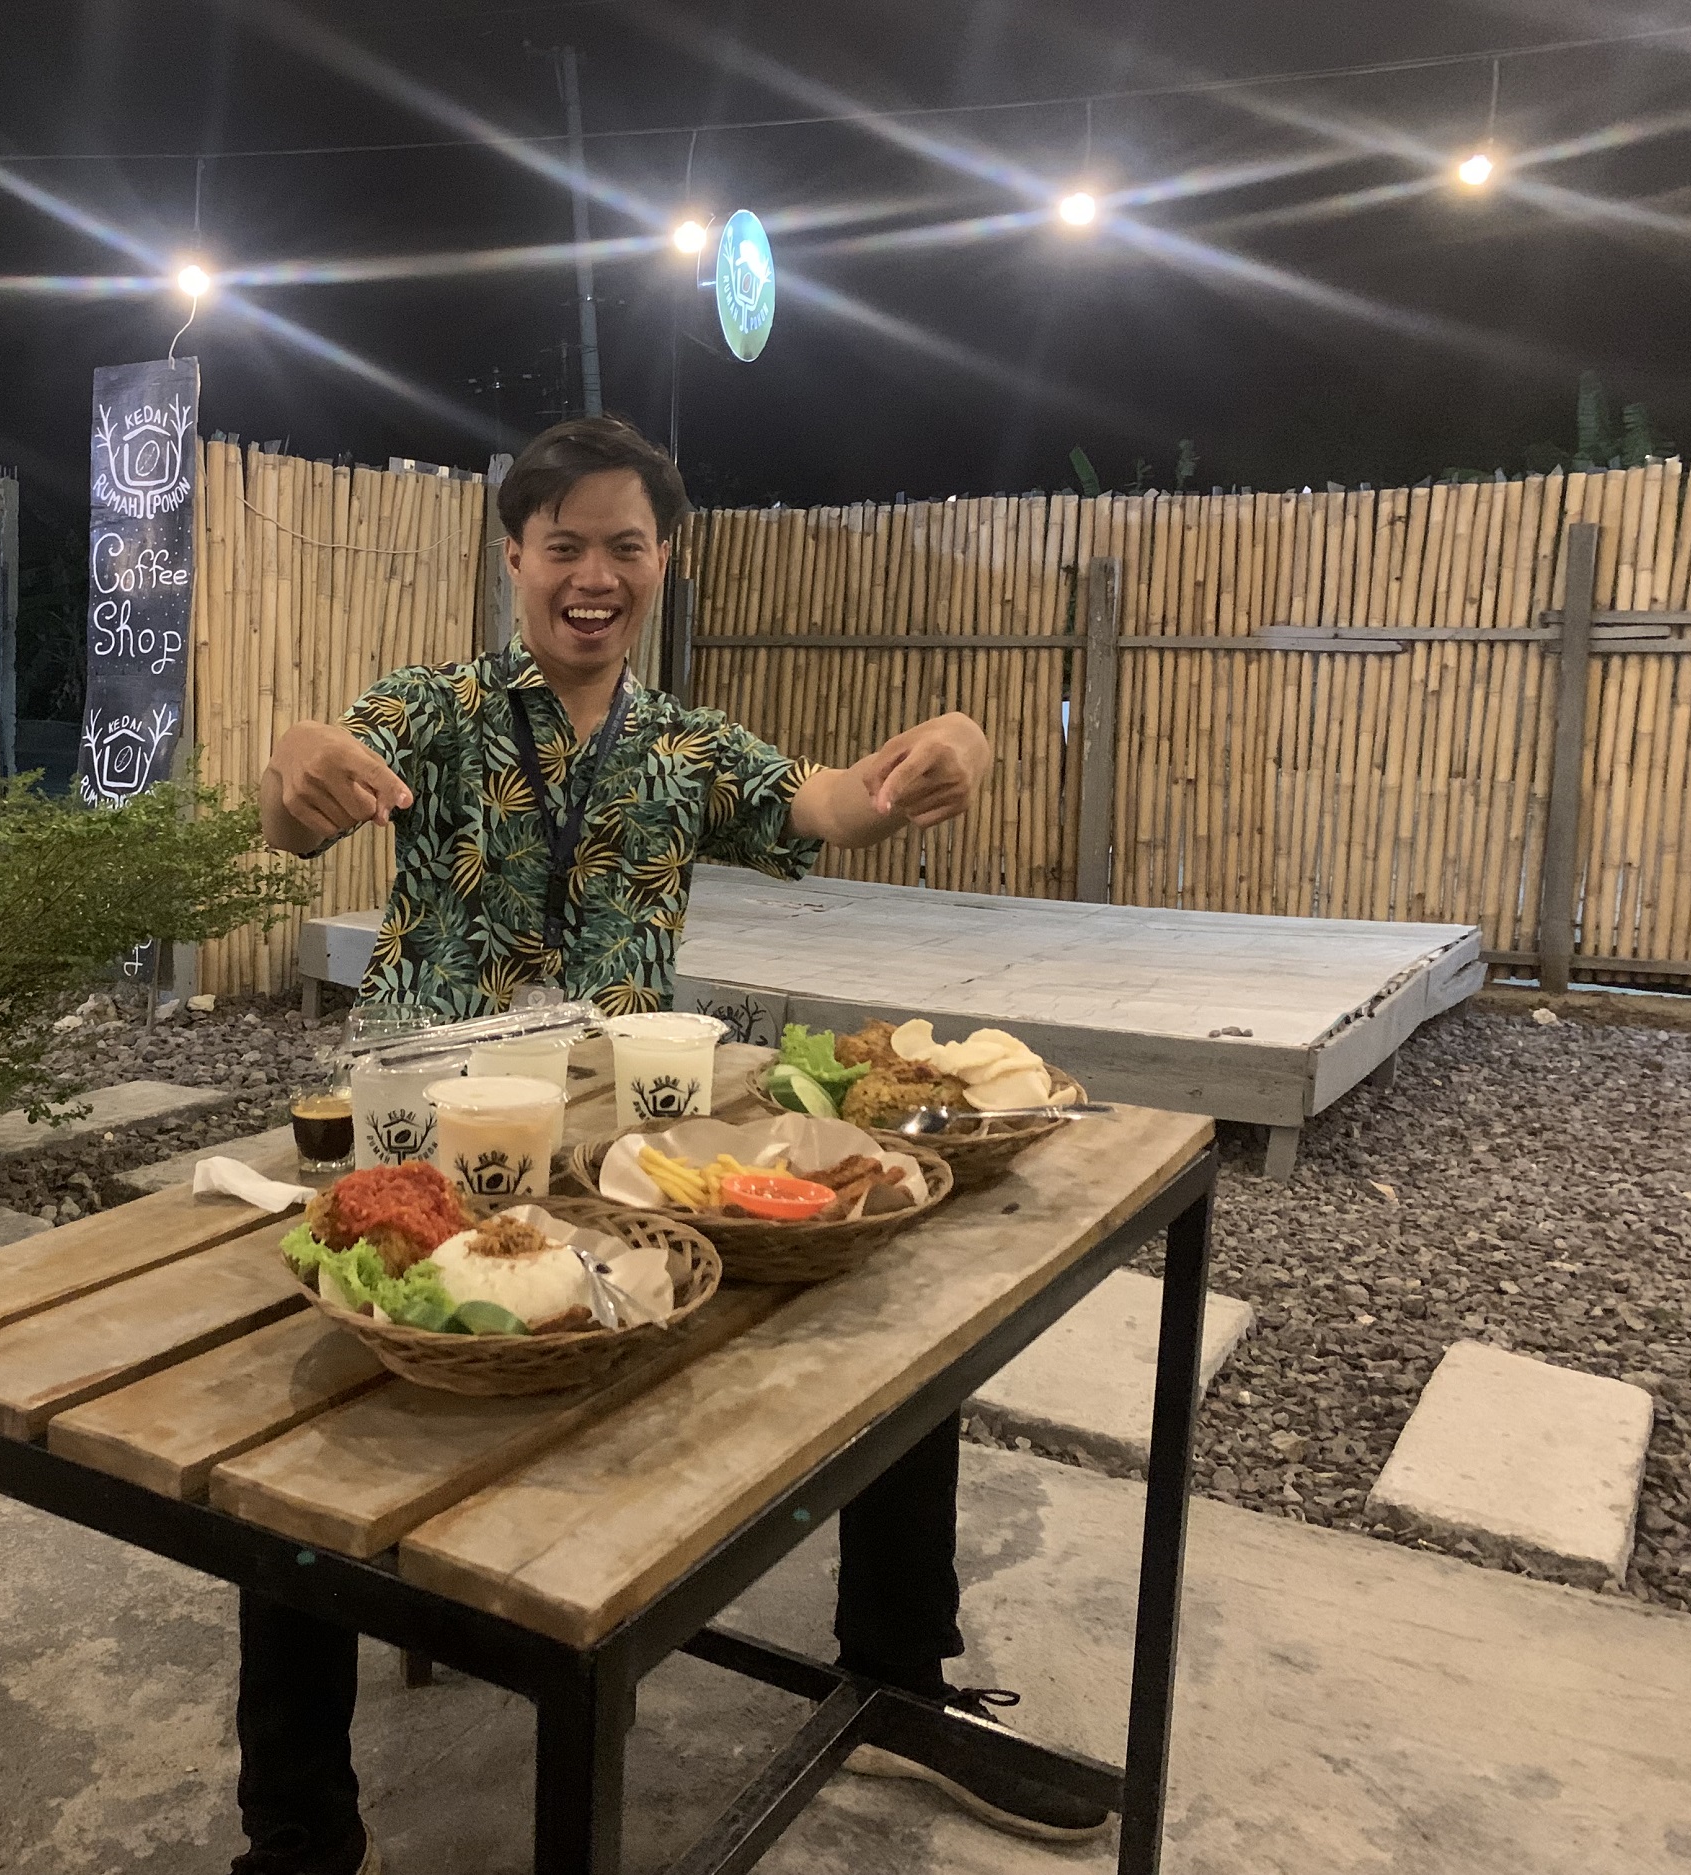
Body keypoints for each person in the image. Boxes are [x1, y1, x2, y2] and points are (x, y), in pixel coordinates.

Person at [242, 414, 1106, 1875]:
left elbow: (832, 804)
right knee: (308, 1421)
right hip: (432, 1145)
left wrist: (941, 747)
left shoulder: (688, 746)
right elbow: (298, 808)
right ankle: (300, 1833)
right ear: (513, 557)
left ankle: (900, 1681)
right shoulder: (434, 710)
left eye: (624, 547)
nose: (593, 575)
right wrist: (293, 759)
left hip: (633, 1150)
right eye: (563, 545)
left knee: (882, 1310)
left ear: (665, 563)